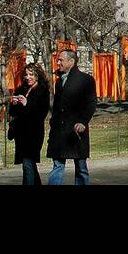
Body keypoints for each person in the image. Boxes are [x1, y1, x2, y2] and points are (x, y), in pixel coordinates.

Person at [46, 49, 97, 185]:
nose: (58, 63)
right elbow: (57, 106)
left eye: (61, 60)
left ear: (71, 61)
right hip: (59, 132)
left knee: (81, 168)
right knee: (57, 166)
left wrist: (83, 122)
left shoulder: (86, 80)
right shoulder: (58, 81)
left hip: (76, 132)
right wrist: (53, 122)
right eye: (58, 60)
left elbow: (91, 104)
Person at [7, 62, 50, 185]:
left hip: (34, 133)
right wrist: (14, 104)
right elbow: (13, 113)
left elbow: (41, 114)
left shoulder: (42, 91)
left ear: (37, 75)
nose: (28, 77)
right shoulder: (20, 89)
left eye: (31, 74)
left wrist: (27, 104)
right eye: (26, 75)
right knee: (29, 164)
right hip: (21, 134)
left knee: (28, 163)